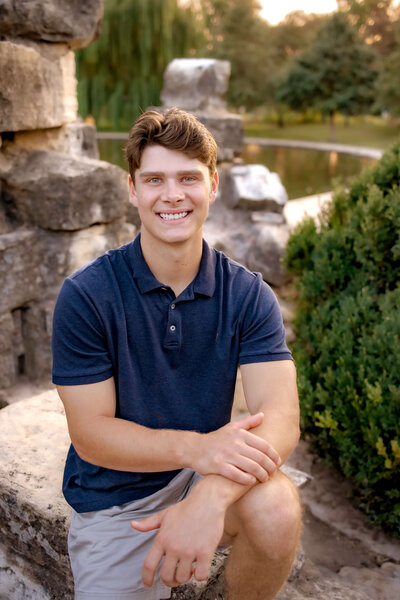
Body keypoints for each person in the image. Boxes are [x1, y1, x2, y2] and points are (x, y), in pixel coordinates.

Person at [52, 107, 302, 600]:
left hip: (208, 475)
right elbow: (92, 437)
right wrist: (198, 449)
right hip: (118, 499)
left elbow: (282, 419)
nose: (172, 195)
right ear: (132, 189)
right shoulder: (86, 296)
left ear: (212, 185)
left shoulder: (249, 294)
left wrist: (211, 491)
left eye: (188, 178)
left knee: (277, 508)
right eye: (155, 179)